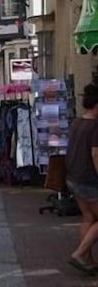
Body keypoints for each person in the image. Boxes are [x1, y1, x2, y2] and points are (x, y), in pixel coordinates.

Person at [65, 83, 98, 274]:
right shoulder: (95, 126)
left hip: (74, 178)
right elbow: (95, 154)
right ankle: (79, 254)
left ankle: (88, 260)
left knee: (88, 217)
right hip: (89, 180)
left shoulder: (77, 123)